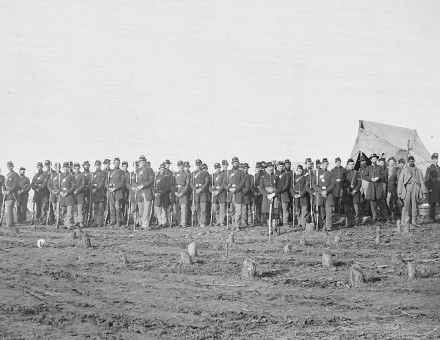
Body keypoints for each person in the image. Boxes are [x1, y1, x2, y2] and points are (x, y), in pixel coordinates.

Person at [398, 156, 427, 228]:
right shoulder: (404, 170)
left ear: (414, 161)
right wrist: (399, 192)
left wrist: (423, 192)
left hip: (416, 188)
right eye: (410, 161)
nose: (411, 162)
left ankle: (414, 221)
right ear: (408, 162)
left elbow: (422, 181)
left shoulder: (418, 170)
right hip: (407, 188)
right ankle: (404, 221)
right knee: (406, 205)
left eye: (412, 161)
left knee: (414, 205)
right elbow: (400, 181)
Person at [363, 154, 387, 223]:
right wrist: (370, 179)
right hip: (371, 187)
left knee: (381, 202)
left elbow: (384, 176)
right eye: (372, 159)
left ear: (376, 159)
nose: (374, 160)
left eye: (375, 158)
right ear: (370, 160)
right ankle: (374, 217)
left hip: (378, 186)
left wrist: (378, 177)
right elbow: (364, 176)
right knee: (372, 203)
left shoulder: (380, 167)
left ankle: (383, 217)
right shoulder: (368, 168)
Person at [312, 158, 335, 231]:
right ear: (321, 164)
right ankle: (323, 224)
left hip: (328, 194)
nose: (325, 165)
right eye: (324, 164)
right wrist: (321, 191)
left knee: (329, 210)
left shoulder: (330, 173)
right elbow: (314, 184)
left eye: (326, 164)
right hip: (320, 194)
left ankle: (328, 226)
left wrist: (326, 191)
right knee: (322, 211)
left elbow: (333, 184)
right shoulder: (316, 173)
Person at [225, 157, 246, 231]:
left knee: (239, 211)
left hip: (238, 194)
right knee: (232, 211)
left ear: (238, 163)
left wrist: (235, 189)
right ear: (232, 163)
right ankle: (233, 225)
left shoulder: (241, 172)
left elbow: (243, 183)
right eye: (234, 163)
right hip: (231, 194)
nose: (235, 164)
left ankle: (237, 225)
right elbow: (225, 183)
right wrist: (229, 188)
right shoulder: (228, 172)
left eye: (236, 163)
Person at [259, 162, 279, 234]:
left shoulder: (276, 177)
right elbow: (261, 189)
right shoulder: (263, 178)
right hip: (266, 198)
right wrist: (267, 195)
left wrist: (274, 193)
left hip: (275, 197)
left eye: (272, 167)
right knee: (267, 213)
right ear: (266, 169)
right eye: (269, 167)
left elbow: (280, 188)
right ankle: (269, 228)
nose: (271, 168)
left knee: (275, 213)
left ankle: (274, 228)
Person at [136, 156, 155, 229]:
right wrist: (136, 186)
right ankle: (141, 223)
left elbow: (151, 180)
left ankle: (145, 224)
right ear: (139, 162)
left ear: (145, 162)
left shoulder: (149, 170)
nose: (142, 162)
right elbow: (135, 181)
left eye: (143, 161)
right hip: (139, 192)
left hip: (147, 191)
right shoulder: (137, 170)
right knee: (141, 209)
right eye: (141, 161)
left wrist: (143, 185)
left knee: (147, 209)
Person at [341, 159, 361, 227]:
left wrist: (355, 190)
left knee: (356, 208)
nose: (351, 166)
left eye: (353, 164)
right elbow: (342, 184)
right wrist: (348, 191)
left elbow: (359, 183)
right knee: (348, 209)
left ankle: (355, 223)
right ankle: (348, 223)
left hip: (355, 192)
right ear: (347, 165)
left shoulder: (357, 172)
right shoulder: (344, 173)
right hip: (347, 193)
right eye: (350, 164)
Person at [190, 159, 210, 227]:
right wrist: (195, 189)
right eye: (197, 165)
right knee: (197, 209)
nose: (198, 166)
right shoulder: (193, 173)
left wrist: (201, 189)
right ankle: (199, 222)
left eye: (200, 164)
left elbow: (206, 182)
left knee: (203, 209)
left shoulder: (205, 173)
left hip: (203, 192)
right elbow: (191, 183)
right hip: (196, 193)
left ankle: (203, 222)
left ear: (201, 164)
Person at [107, 158, 125, 227]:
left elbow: (122, 182)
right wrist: (109, 187)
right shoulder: (110, 172)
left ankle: (118, 221)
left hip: (118, 192)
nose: (116, 164)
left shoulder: (121, 172)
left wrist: (115, 188)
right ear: (113, 163)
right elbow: (106, 182)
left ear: (119, 163)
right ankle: (112, 221)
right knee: (111, 207)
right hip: (111, 192)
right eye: (115, 162)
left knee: (118, 207)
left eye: (118, 162)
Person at [3, 162, 19, 231]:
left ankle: (9, 224)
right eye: (8, 166)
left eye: (11, 166)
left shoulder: (15, 174)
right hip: (6, 194)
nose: (10, 167)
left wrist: (9, 191)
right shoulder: (7, 175)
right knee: (8, 209)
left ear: (13, 167)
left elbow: (15, 185)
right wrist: (3, 191)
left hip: (12, 194)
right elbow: (4, 184)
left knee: (9, 208)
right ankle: (11, 223)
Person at [59, 162, 76, 229]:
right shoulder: (60, 176)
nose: (66, 168)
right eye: (65, 167)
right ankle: (65, 224)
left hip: (69, 196)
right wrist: (60, 192)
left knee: (69, 212)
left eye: (67, 167)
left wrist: (67, 192)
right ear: (63, 168)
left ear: (69, 168)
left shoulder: (72, 176)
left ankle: (69, 224)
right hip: (62, 196)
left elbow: (73, 186)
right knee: (63, 211)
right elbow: (57, 186)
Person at [209, 162, 227, 227]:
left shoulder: (223, 175)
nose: (217, 169)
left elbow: (223, 184)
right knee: (215, 208)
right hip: (214, 194)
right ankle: (218, 221)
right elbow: (210, 185)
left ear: (220, 168)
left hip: (221, 193)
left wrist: (218, 191)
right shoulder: (213, 175)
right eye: (216, 168)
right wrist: (212, 191)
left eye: (218, 168)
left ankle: (222, 222)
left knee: (222, 208)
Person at [174, 160, 191, 227]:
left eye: (182, 165)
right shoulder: (175, 174)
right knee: (177, 208)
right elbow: (172, 184)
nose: (180, 167)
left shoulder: (186, 174)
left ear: (183, 166)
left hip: (183, 192)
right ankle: (178, 222)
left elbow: (187, 185)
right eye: (179, 165)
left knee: (184, 208)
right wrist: (175, 192)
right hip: (176, 191)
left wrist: (182, 193)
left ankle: (183, 223)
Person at [425, 153, 440, 222]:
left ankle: (438, 216)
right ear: (432, 160)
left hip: (439, 186)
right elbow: (427, 179)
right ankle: (432, 218)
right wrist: (430, 188)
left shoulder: (439, 167)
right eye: (434, 159)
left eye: (436, 159)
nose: (435, 160)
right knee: (433, 203)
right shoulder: (429, 168)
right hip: (433, 187)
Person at [331, 157, 347, 222]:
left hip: (341, 188)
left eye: (339, 162)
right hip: (335, 189)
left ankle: (341, 216)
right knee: (335, 202)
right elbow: (331, 179)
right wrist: (335, 180)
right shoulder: (332, 170)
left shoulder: (344, 170)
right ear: (335, 163)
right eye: (337, 162)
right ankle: (336, 216)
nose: (338, 163)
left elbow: (346, 179)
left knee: (341, 202)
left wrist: (341, 180)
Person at [386, 157, 402, 224]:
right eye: (390, 161)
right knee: (388, 202)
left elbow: (398, 179)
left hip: (394, 187)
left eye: (392, 161)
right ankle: (390, 217)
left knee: (394, 202)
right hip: (387, 188)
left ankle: (396, 217)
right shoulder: (386, 169)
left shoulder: (397, 169)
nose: (391, 163)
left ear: (394, 162)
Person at [91, 160, 106, 227]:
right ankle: (95, 222)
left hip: (100, 193)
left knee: (100, 209)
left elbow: (102, 183)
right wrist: (92, 187)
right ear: (95, 165)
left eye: (99, 165)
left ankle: (99, 223)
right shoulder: (93, 174)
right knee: (95, 209)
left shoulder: (102, 173)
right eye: (96, 165)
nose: (98, 166)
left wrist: (96, 188)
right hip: (94, 194)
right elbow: (90, 183)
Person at [276, 161, 291, 227]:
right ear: (277, 167)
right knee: (278, 209)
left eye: (282, 166)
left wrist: (281, 190)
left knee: (285, 209)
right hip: (277, 194)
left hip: (284, 193)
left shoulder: (286, 174)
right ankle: (279, 221)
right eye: (279, 166)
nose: (281, 167)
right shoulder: (274, 174)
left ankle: (285, 222)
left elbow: (287, 184)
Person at [73, 163, 86, 228]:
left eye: (78, 168)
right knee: (75, 209)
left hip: (80, 194)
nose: (76, 169)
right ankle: (76, 222)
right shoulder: (72, 175)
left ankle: (81, 222)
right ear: (74, 168)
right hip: (73, 195)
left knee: (80, 209)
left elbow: (83, 185)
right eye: (75, 168)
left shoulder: (82, 175)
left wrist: (77, 191)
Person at [240, 163, 253, 228]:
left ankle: (250, 222)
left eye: (246, 168)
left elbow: (249, 186)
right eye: (244, 168)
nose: (245, 169)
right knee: (244, 210)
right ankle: (244, 222)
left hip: (248, 195)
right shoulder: (241, 176)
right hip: (242, 195)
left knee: (249, 209)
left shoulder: (250, 176)